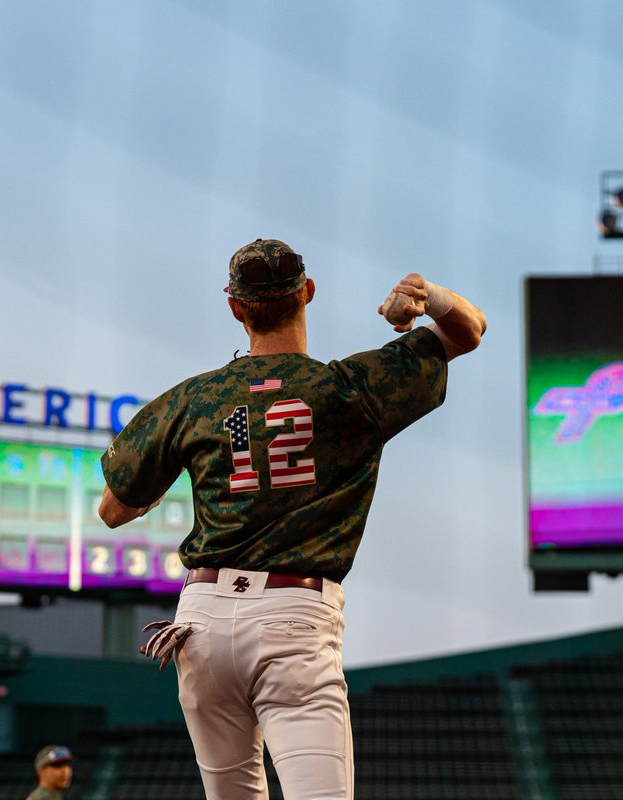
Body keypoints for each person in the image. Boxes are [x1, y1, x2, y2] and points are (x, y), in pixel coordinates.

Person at [99, 238, 486, 800]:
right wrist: (428, 298)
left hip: (201, 621)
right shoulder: (351, 388)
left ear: (235, 307)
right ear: (307, 292)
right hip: (293, 618)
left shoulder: (193, 399)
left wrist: (155, 493)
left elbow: (114, 509)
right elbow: (468, 330)